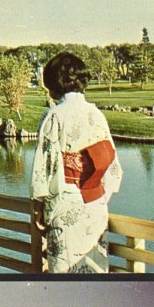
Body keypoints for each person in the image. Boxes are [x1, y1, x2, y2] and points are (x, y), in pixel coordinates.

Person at [30, 52, 122, 273]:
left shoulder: (54, 116)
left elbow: (46, 168)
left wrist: (39, 208)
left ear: (55, 84)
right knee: (94, 274)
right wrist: (98, 194)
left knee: (65, 278)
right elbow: (111, 165)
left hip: (66, 206)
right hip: (95, 206)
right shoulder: (97, 114)